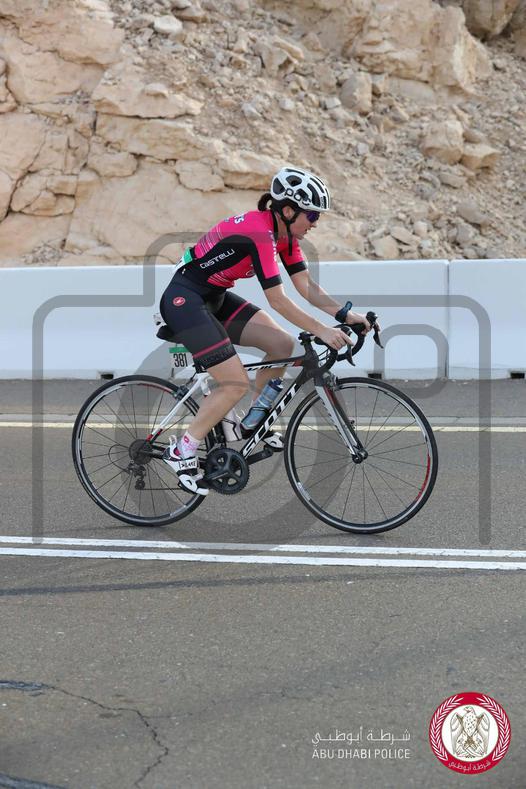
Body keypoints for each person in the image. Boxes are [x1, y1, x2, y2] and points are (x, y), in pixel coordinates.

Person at [159, 165, 371, 495]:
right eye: (312, 215)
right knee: (233, 383)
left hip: (214, 298)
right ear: (287, 210)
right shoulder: (259, 233)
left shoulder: (285, 236)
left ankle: (252, 422)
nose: (315, 223)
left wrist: (347, 314)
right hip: (184, 300)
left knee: (282, 345)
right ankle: (182, 449)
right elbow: (278, 300)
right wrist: (322, 330)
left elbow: (305, 285)